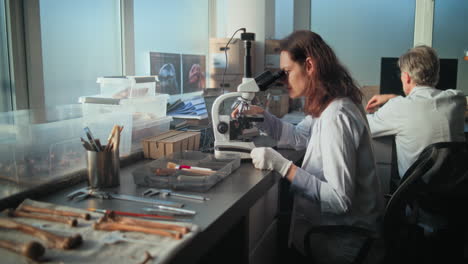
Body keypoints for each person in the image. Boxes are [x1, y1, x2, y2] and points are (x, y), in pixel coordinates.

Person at [233, 30, 384, 264]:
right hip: (335, 230)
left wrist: (282, 166)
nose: (283, 81)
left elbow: (339, 199)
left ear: (310, 65)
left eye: (287, 72)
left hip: (344, 243)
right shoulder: (329, 104)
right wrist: (260, 116)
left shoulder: (336, 115)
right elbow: (298, 136)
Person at [366, 45, 466, 180]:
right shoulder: (457, 99)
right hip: (453, 193)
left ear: (406, 77)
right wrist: (392, 97)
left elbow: (364, 125)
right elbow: (424, 104)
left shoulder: (398, 108)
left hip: (415, 195)